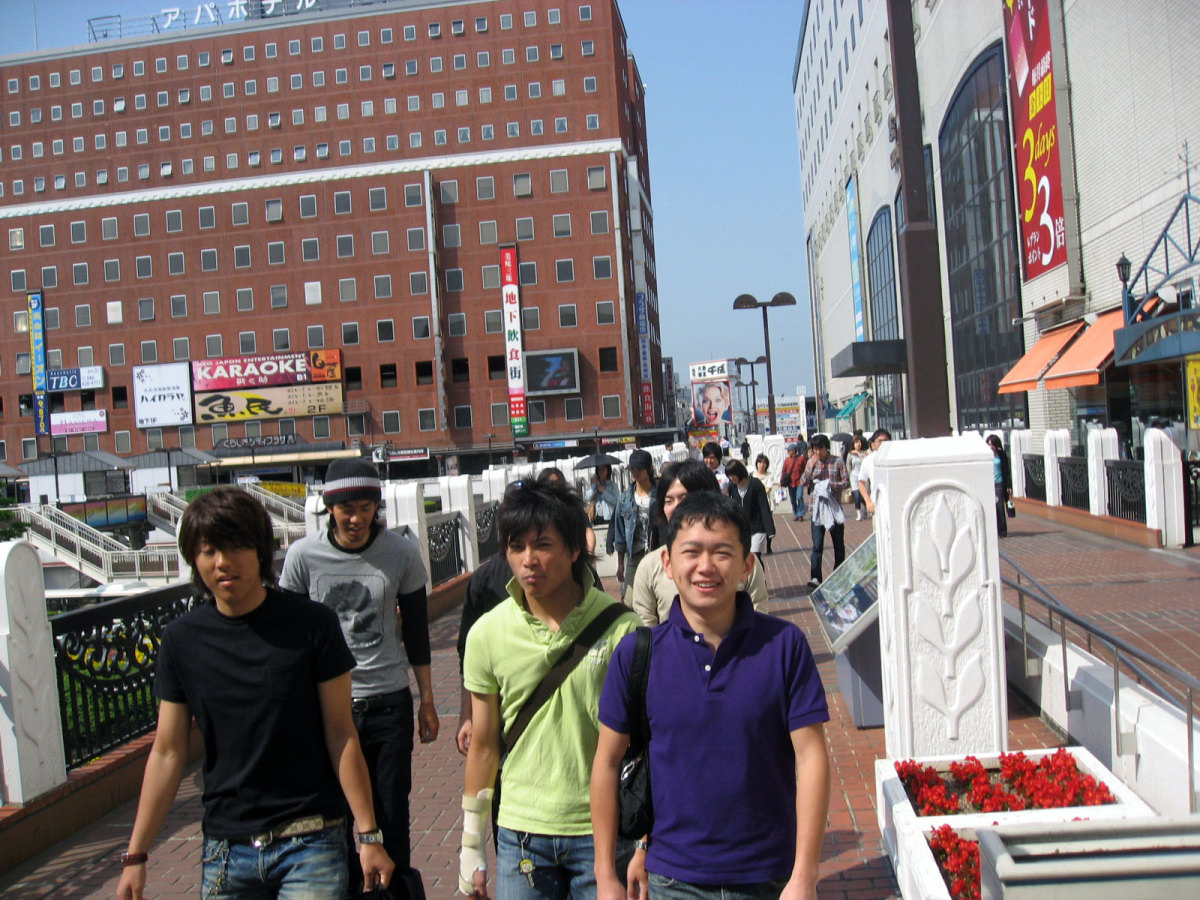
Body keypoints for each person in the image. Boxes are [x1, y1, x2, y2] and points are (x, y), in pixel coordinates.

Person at [117, 488, 393, 900]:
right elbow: (168, 751)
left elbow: (341, 733)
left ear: (261, 551)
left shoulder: (312, 625)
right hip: (227, 849)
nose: (222, 562)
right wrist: (136, 855)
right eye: (208, 551)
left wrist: (369, 835)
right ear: (194, 559)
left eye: (235, 547)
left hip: (311, 839)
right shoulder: (181, 640)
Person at [591, 491, 831, 900]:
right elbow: (608, 763)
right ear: (668, 563)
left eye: (722, 552)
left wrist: (804, 875)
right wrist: (605, 874)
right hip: (674, 879)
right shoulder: (637, 654)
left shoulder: (784, 645)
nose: (705, 566)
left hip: (769, 875)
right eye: (691, 552)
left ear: (746, 565)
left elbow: (811, 758)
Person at [458, 479, 639, 900]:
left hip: (603, 831)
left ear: (575, 549)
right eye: (516, 546)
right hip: (521, 833)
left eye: (542, 545)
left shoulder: (623, 629)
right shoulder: (487, 633)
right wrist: (471, 843)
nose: (528, 560)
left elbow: (643, 742)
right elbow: (483, 745)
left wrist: (645, 841)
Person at [280, 457, 438, 894]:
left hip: (388, 704)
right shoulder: (303, 557)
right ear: (329, 509)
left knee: (391, 817)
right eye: (346, 509)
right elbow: (291, 640)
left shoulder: (400, 553)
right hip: (329, 710)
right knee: (335, 820)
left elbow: (418, 631)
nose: (356, 518)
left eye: (366, 508)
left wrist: (426, 699)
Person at [630, 460, 769, 626]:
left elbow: (758, 619)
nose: (676, 508)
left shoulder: (742, 560)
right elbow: (646, 628)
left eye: (685, 498)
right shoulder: (650, 566)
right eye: (669, 501)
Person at [799, 434, 849, 588]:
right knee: (817, 545)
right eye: (814, 449)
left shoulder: (838, 461)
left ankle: (838, 574)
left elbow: (846, 483)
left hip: (834, 509)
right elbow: (803, 481)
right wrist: (811, 466)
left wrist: (830, 485)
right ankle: (816, 577)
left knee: (838, 544)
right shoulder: (811, 462)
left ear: (826, 447)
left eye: (820, 448)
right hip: (817, 510)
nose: (817, 452)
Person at [608, 449, 657, 600]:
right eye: (632, 468)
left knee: (655, 599)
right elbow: (620, 533)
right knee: (628, 601)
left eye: (639, 468)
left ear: (649, 469)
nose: (635, 472)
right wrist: (620, 564)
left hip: (656, 555)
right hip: (634, 555)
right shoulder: (624, 499)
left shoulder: (661, 495)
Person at [724, 459, 775, 562]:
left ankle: (760, 573)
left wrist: (770, 529)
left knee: (754, 557)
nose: (731, 478)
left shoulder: (755, 484)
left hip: (757, 527)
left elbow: (764, 506)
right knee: (745, 558)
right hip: (742, 529)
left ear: (739, 472)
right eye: (729, 476)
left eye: (733, 475)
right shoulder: (732, 486)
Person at [857, 428, 892, 518]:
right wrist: (868, 502)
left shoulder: (895, 458)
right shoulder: (868, 460)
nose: (883, 443)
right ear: (873, 444)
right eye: (880, 441)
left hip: (894, 502)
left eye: (886, 441)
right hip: (877, 503)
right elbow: (861, 482)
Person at [988, 434, 1013, 538]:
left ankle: (1002, 531)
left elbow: (1007, 471)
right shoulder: (986, 455)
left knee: (999, 507)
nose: (991, 447)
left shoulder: (1001, 455)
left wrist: (1009, 485)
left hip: (999, 483)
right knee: (991, 508)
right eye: (989, 444)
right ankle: (993, 530)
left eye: (992, 444)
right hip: (989, 484)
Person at [752, 453, 778, 553]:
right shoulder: (752, 475)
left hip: (766, 503)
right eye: (760, 462)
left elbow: (768, 488)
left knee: (767, 523)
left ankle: (768, 546)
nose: (762, 465)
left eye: (764, 463)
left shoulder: (770, 475)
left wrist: (756, 493)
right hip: (754, 504)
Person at [779, 443, 806, 521]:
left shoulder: (801, 459)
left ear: (794, 450)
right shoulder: (787, 460)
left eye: (789, 450)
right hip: (790, 482)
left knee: (799, 496)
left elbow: (806, 468)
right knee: (793, 500)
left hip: (799, 481)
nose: (788, 452)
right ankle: (796, 514)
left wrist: (806, 478)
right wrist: (781, 481)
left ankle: (801, 514)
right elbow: (784, 471)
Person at [846, 434, 868, 521]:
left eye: (859, 442)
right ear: (853, 444)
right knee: (857, 495)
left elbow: (866, 463)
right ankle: (859, 513)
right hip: (854, 476)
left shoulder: (865, 453)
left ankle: (865, 507)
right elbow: (848, 467)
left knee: (863, 495)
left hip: (863, 477)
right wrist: (848, 478)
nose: (858, 444)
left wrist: (859, 453)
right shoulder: (850, 455)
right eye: (856, 442)